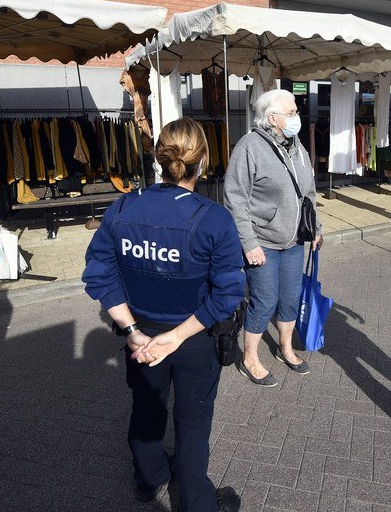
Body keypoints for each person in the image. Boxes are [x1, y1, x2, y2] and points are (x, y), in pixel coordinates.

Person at [82, 118, 245, 512]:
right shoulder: (214, 218)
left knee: (147, 408)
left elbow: (98, 275)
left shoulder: (123, 207)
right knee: (192, 425)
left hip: (142, 338)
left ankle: (149, 477)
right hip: (194, 339)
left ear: (160, 159)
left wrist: (132, 330)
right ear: (202, 162)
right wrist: (175, 336)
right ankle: (197, 503)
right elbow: (227, 294)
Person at [224, 89, 322, 387]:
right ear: (272, 118)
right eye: (292, 113)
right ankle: (250, 358)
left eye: (296, 112)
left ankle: (286, 348)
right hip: (263, 242)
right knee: (264, 302)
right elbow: (234, 199)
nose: (297, 117)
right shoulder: (249, 147)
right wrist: (248, 244)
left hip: (294, 241)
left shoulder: (297, 146)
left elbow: (308, 193)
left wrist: (315, 227)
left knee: (290, 300)